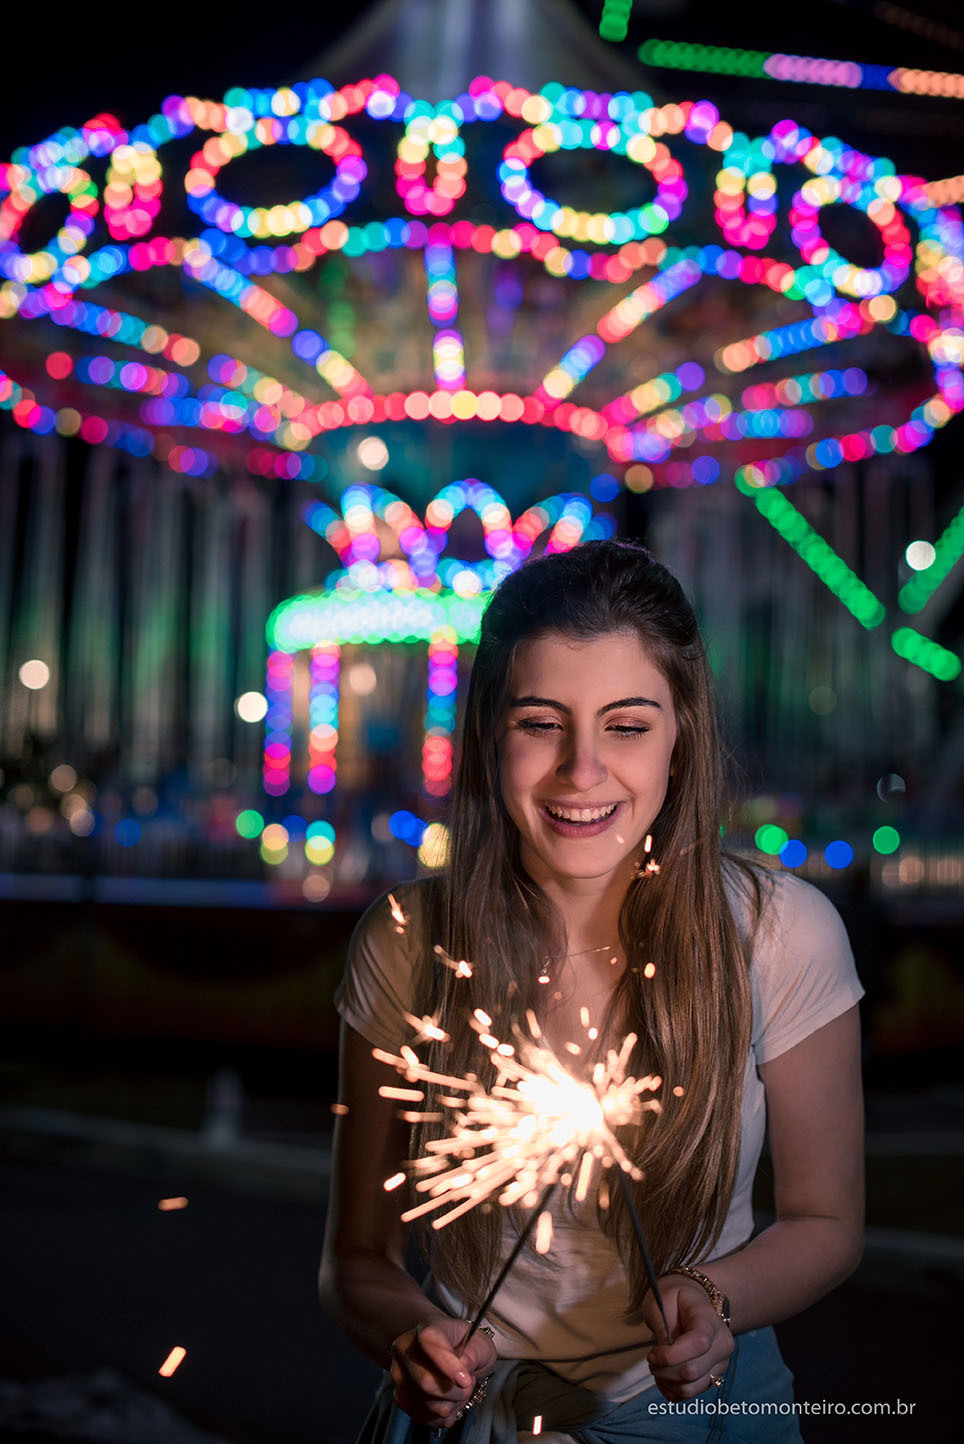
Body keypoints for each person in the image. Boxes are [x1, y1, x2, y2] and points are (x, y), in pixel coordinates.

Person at [320, 539, 864, 1442]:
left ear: (681, 731)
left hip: (714, 1418)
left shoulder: (781, 932)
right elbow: (357, 1259)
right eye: (540, 722)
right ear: (488, 726)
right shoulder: (407, 944)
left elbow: (828, 1220)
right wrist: (413, 1334)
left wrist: (715, 1298)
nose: (582, 771)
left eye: (627, 724)